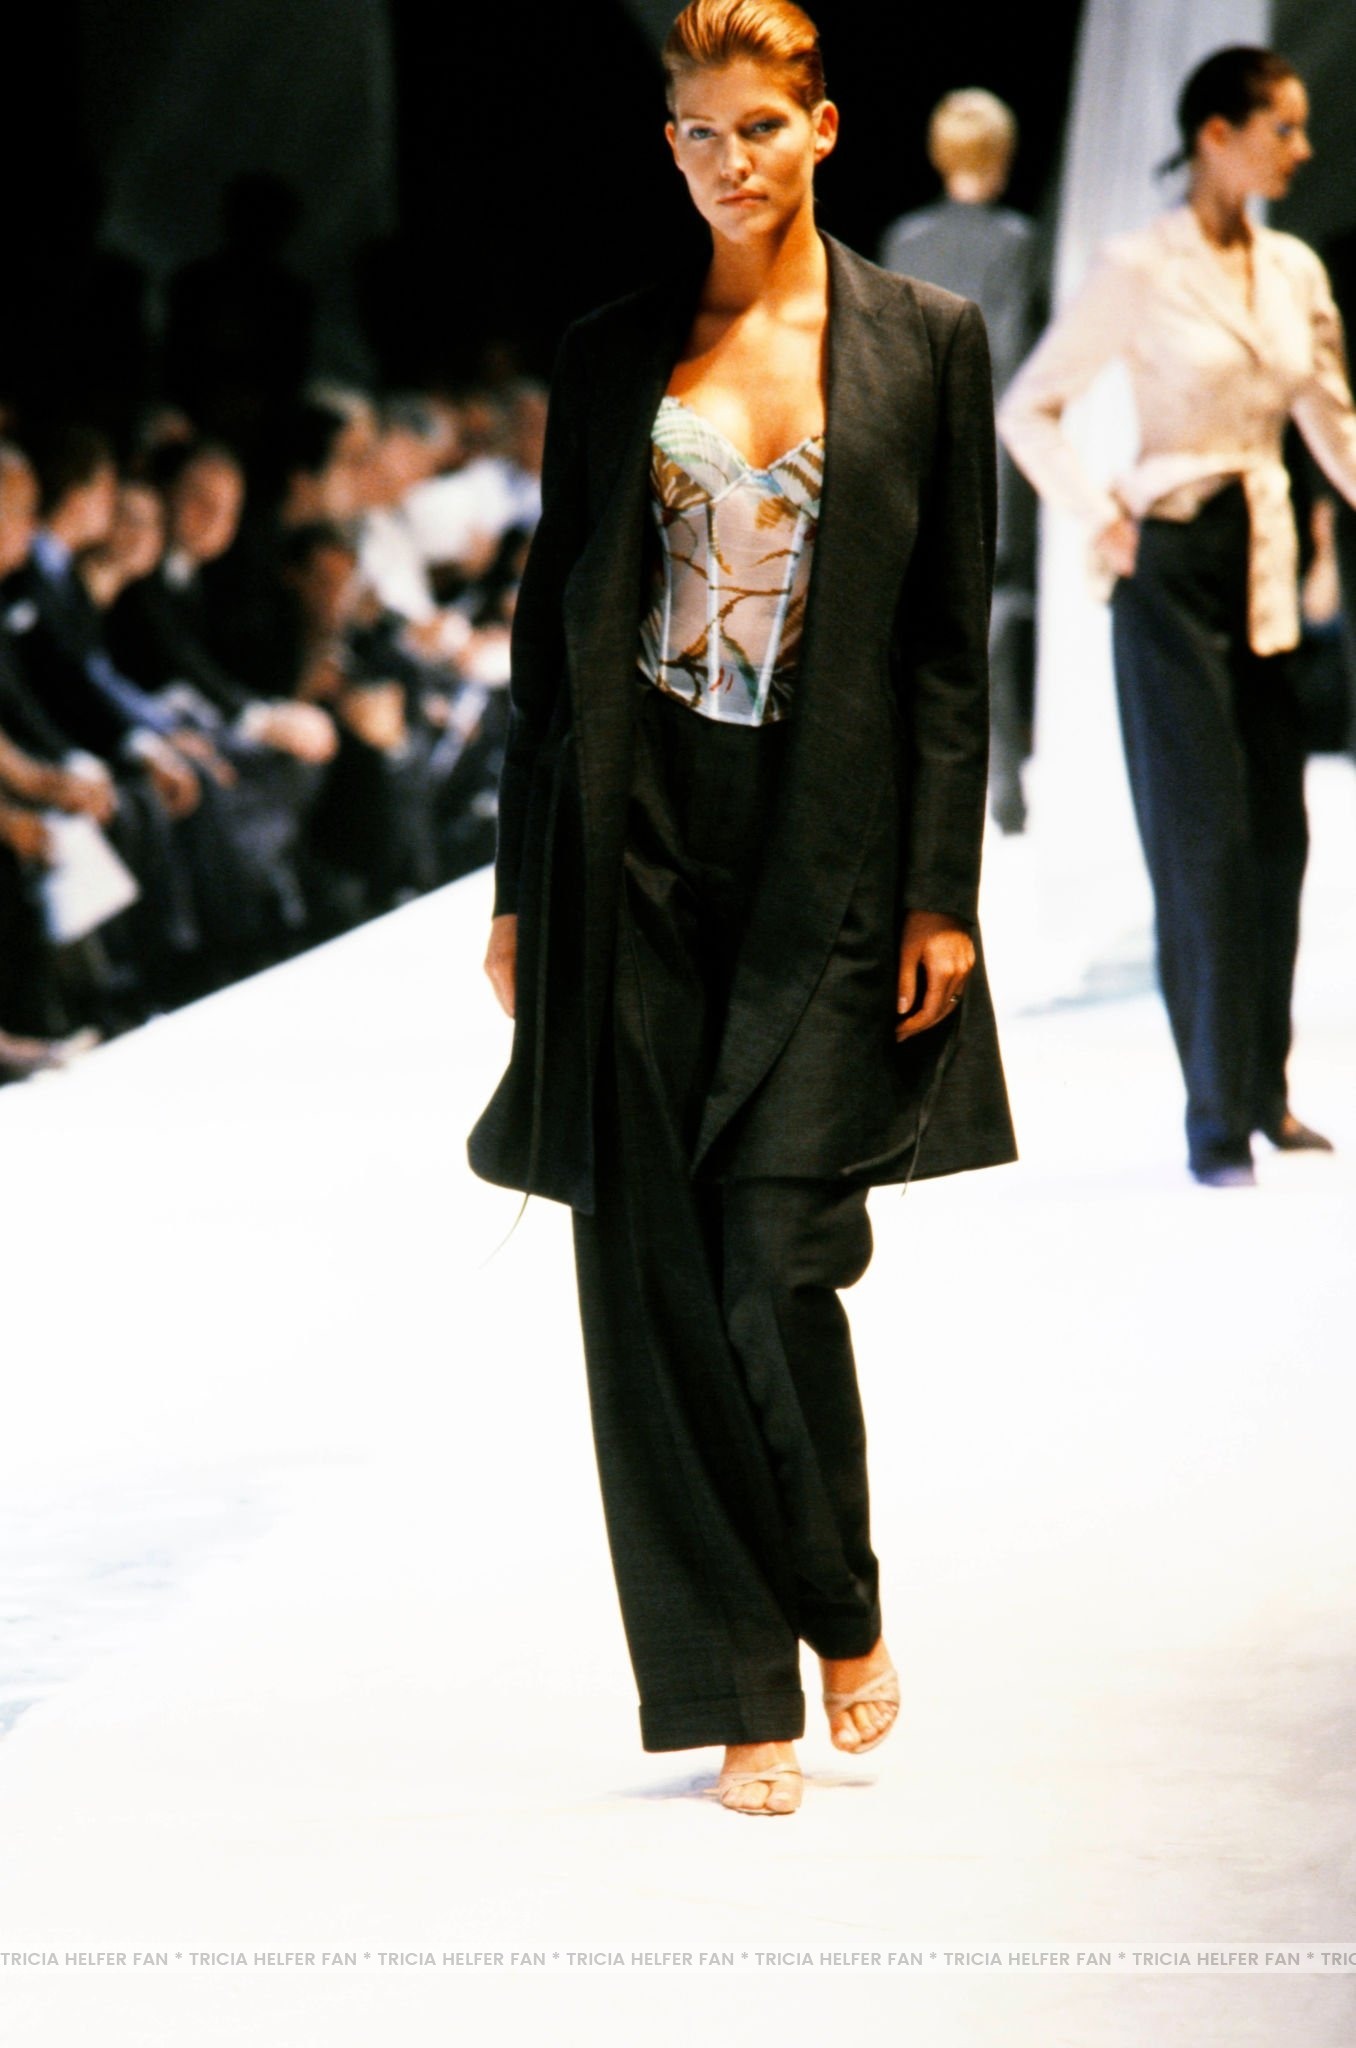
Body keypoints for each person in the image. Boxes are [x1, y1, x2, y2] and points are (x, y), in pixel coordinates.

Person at [468, 0, 1015, 1817]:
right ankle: (731, 1687)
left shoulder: (926, 340)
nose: (728, 162)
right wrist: (517, 888)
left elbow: (947, 648)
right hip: (627, 843)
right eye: (698, 133)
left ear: (825, 129)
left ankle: (837, 1597)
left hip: (832, 847)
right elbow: (547, 642)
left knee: (778, 1253)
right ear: (671, 148)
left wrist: (942, 889)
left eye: (759, 128)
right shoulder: (614, 352)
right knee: (648, 1271)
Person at [999, 45, 1356, 1187]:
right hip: (1172, 565)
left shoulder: (1292, 268)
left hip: (1262, 558)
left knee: (1278, 837)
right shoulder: (1139, 266)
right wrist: (1100, 511)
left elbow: (1332, 419)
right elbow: (1030, 406)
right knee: (1203, 844)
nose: (1300, 148)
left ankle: (1264, 1090)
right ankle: (1213, 1117)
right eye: (1282, 127)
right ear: (1218, 133)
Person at [879, 89, 1044, 832]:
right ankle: (1002, 793)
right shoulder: (1016, 240)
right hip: (993, 451)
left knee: (921, 625)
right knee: (992, 621)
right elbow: (1009, 357)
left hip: (915, 450)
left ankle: (923, 792)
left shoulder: (906, 241)